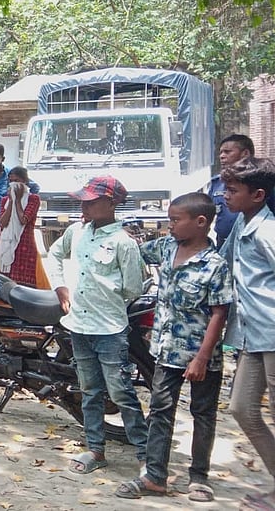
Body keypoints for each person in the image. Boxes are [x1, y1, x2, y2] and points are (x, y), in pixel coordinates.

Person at [113, 192, 230, 503]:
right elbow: (135, 252)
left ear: (201, 222)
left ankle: (199, 477)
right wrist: (118, 231)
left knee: (202, 414)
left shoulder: (214, 265)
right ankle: (155, 476)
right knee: (160, 410)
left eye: (176, 220)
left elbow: (219, 313)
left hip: (201, 356)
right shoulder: (167, 247)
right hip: (166, 352)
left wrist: (201, 358)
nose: (170, 226)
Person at [48, 175, 147, 475]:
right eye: (83, 201)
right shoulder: (76, 231)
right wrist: (60, 286)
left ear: (111, 203)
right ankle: (95, 450)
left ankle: (146, 456)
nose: (84, 206)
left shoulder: (123, 242)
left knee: (120, 393)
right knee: (89, 391)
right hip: (79, 326)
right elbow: (55, 254)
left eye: (91, 201)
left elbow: (133, 288)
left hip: (109, 330)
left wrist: (104, 298)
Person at [221, 158, 275, 511]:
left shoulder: (268, 232)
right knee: (242, 409)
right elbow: (221, 261)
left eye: (232, 190)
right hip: (252, 335)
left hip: (272, 331)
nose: (225, 196)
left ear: (257, 195)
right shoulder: (242, 223)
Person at [205, 134, 254, 247]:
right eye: (221, 152)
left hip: (249, 243)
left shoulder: (259, 182)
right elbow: (207, 211)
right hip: (223, 242)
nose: (222, 156)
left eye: (227, 152)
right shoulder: (217, 183)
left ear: (245, 153)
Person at [0, 166, 41, 286]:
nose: (13, 184)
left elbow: (23, 220)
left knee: (25, 285)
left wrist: (18, 201)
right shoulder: (5, 201)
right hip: (7, 243)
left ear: (24, 182)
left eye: (16, 181)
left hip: (25, 244)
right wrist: (11, 201)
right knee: (7, 283)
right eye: (11, 181)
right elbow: (3, 222)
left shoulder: (33, 199)